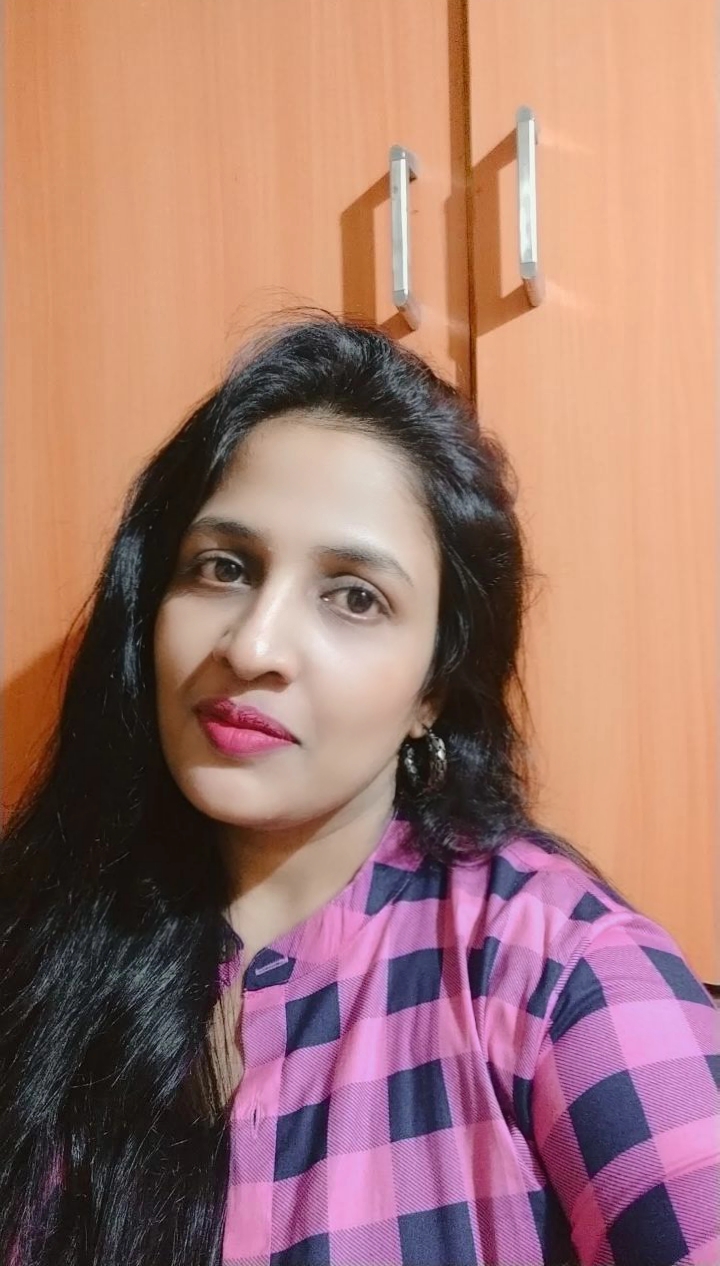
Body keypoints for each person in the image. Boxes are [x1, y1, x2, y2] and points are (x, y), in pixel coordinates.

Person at [1, 312, 717, 1266]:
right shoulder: (38, 942)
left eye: (354, 596)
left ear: (433, 689)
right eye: (224, 567)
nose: (253, 646)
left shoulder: (558, 971)